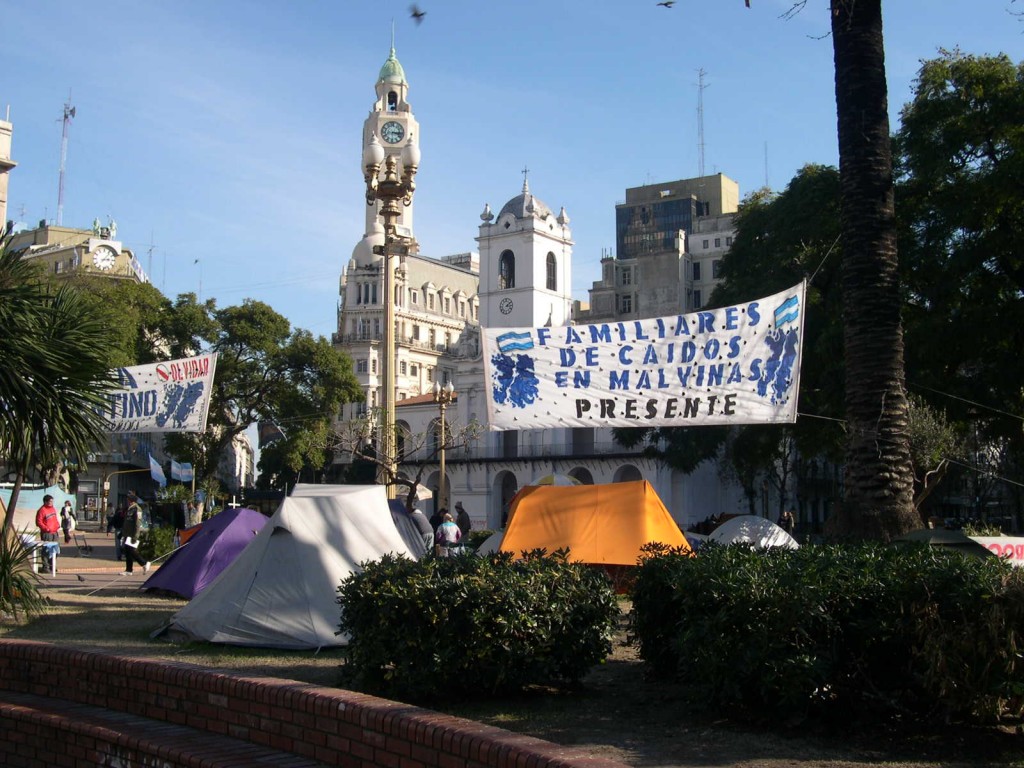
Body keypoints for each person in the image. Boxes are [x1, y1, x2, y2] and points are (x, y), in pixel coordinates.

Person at [120, 491, 151, 576]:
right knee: (128, 552)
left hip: (132, 534)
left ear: (131, 500)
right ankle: (129, 570)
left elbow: (137, 523)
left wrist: (136, 536)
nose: (127, 501)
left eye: (128, 499)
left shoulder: (137, 509)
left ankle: (144, 563)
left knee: (131, 550)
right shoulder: (130, 508)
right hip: (127, 534)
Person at [35, 494, 60, 572]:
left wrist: (58, 525)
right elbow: (39, 522)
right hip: (47, 533)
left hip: (54, 532)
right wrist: (46, 528)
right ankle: (46, 567)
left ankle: (52, 565)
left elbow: (55, 519)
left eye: (52, 501)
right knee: (46, 550)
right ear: (45, 502)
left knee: (55, 550)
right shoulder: (42, 510)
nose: (51, 503)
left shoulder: (53, 509)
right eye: (50, 501)